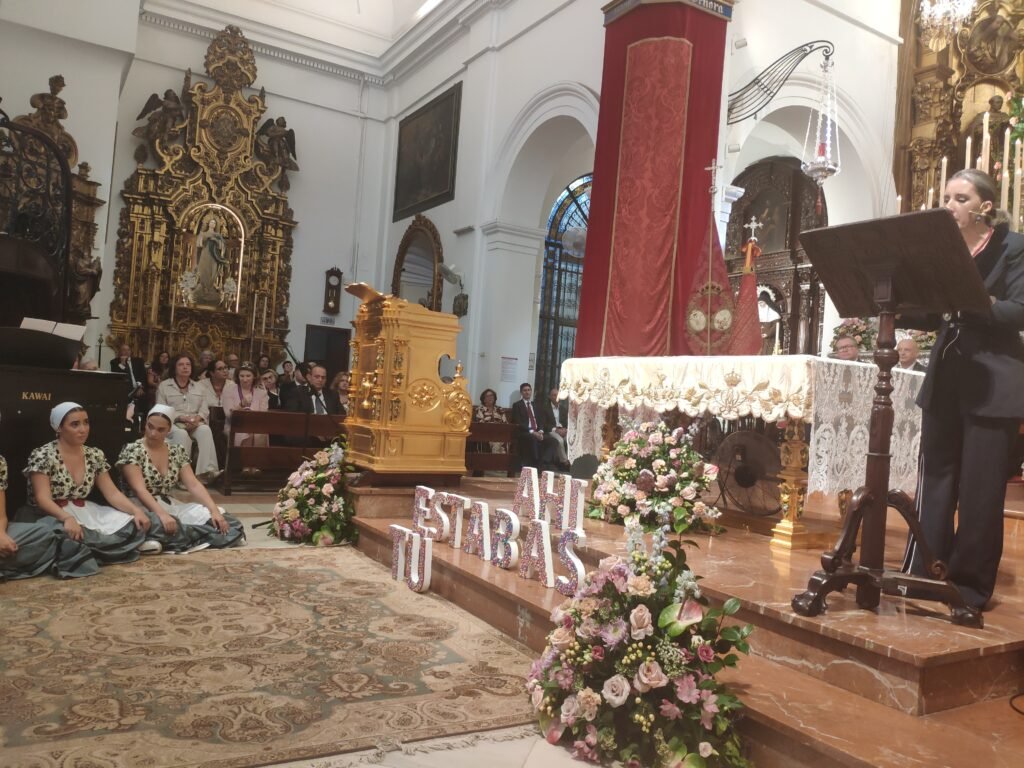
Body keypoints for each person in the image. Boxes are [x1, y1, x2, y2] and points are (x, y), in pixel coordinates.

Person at [902, 168, 1024, 622]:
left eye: (960, 198)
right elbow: (933, 314)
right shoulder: (944, 252)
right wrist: (897, 298)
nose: (948, 206)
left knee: (979, 491)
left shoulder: (1013, 247)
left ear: (984, 207)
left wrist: (978, 302)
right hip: (947, 380)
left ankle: (969, 587)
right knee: (935, 480)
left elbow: (1019, 310)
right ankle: (925, 573)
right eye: (946, 197)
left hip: (994, 383)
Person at [20, 402, 151, 563]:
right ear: (59, 428)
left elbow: (112, 493)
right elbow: (42, 499)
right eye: (75, 424)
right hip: (51, 514)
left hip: (83, 511)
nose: (83, 429)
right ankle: (120, 548)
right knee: (70, 536)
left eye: (86, 422)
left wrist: (135, 511)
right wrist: (67, 518)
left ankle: (116, 548)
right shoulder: (43, 455)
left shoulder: (94, 455)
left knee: (135, 522)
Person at [118, 405, 245, 550]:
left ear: (169, 430)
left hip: (168, 504)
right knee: (157, 524)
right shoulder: (132, 450)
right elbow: (139, 490)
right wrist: (162, 515)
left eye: (160, 430)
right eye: (150, 427)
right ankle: (202, 536)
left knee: (226, 519)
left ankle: (179, 538)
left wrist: (214, 510)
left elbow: (193, 484)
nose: (153, 433)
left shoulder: (176, 451)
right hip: (141, 505)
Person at [1, 444, 98, 580]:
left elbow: (1, 516)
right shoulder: (43, 454)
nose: (82, 432)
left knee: (47, 533)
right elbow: (42, 498)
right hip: (42, 512)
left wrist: (1, 534)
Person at [156, 354, 220, 482]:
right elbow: (161, 409)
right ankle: (182, 476)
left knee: (205, 430)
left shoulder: (199, 387)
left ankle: (206, 472)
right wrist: (180, 417)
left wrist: (198, 418)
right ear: (174, 368)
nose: (185, 367)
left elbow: (204, 409)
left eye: (188, 364)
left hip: (194, 422)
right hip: (173, 423)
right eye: (181, 364)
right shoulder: (164, 386)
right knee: (181, 434)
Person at [221, 362, 269, 472]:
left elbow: (263, 415)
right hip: (235, 425)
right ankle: (246, 466)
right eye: (241, 376)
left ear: (254, 377)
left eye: (248, 376)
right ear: (237, 376)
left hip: (255, 425)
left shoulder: (261, 393)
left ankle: (255, 466)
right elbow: (228, 414)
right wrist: (241, 405)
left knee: (259, 433)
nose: (245, 379)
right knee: (246, 433)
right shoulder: (229, 390)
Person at [510, 382, 558, 470]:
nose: (527, 392)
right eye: (525, 390)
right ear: (521, 392)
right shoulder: (517, 405)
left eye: (529, 390)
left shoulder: (536, 405)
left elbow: (541, 420)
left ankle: (542, 462)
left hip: (538, 431)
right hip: (525, 432)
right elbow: (518, 422)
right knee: (533, 438)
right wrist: (532, 432)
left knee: (553, 441)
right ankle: (535, 464)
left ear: (531, 391)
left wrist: (541, 431)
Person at [538, 387, 570, 469]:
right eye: (554, 395)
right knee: (560, 440)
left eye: (558, 395)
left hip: (563, 430)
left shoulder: (563, 409)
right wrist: (556, 430)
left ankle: (571, 460)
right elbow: (544, 424)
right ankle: (565, 462)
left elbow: (567, 422)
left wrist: (565, 429)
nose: (556, 397)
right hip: (552, 431)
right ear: (549, 396)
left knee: (570, 440)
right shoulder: (545, 409)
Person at [472, 388, 510, 454]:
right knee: (496, 444)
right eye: (487, 396)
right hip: (485, 434)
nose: (490, 397)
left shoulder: (499, 409)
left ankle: (500, 458)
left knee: (502, 441)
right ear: (484, 399)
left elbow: (505, 423)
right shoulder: (479, 410)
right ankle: (497, 459)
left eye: (492, 395)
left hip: (499, 433)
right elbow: (480, 423)